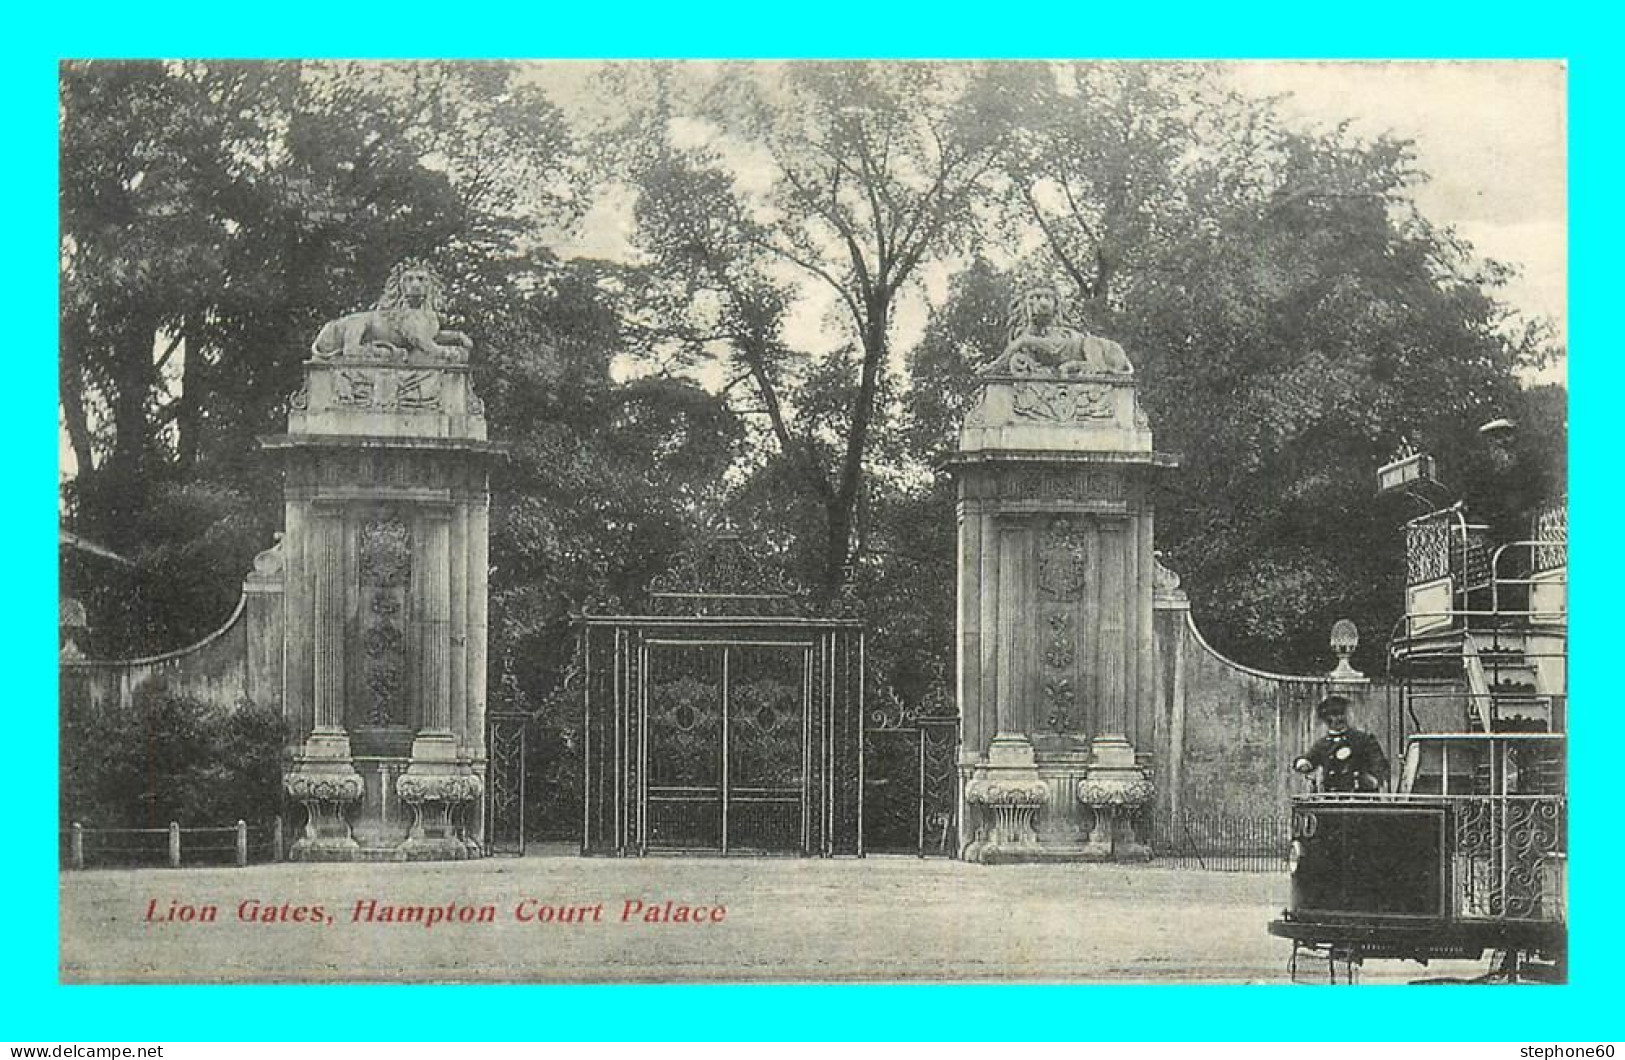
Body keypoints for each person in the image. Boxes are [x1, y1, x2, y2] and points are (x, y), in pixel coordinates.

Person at [1293, 695, 1390, 793]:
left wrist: (1374, 778)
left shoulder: (1363, 740)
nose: (1338, 719)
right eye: (1333, 715)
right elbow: (1310, 758)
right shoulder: (1323, 744)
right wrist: (1303, 763)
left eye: (1341, 714)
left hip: (1360, 796)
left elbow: (1379, 762)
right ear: (1325, 719)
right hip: (1331, 797)